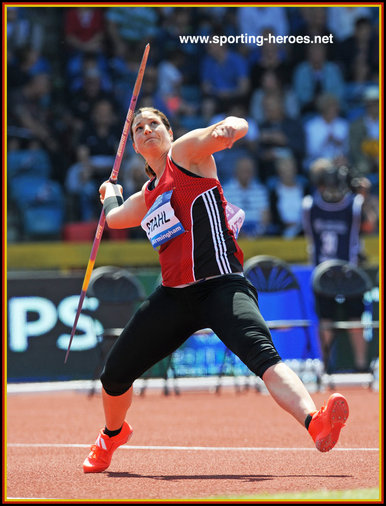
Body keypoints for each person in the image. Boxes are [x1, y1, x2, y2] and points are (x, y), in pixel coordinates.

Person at [82, 107, 349, 473]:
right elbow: (114, 219)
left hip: (223, 287)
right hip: (175, 297)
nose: (146, 131)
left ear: (169, 132)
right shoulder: (147, 195)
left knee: (265, 357)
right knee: (114, 375)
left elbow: (235, 128)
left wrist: (229, 128)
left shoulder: (185, 154)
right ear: (135, 147)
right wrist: (110, 193)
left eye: (153, 124)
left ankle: (315, 422)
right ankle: (112, 434)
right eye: (138, 128)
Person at [302, 158, 375, 373]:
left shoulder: (309, 205)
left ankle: (333, 365)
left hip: (329, 271)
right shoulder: (353, 204)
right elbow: (370, 225)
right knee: (343, 319)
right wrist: (363, 196)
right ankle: (341, 364)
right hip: (341, 271)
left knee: (341, 319)